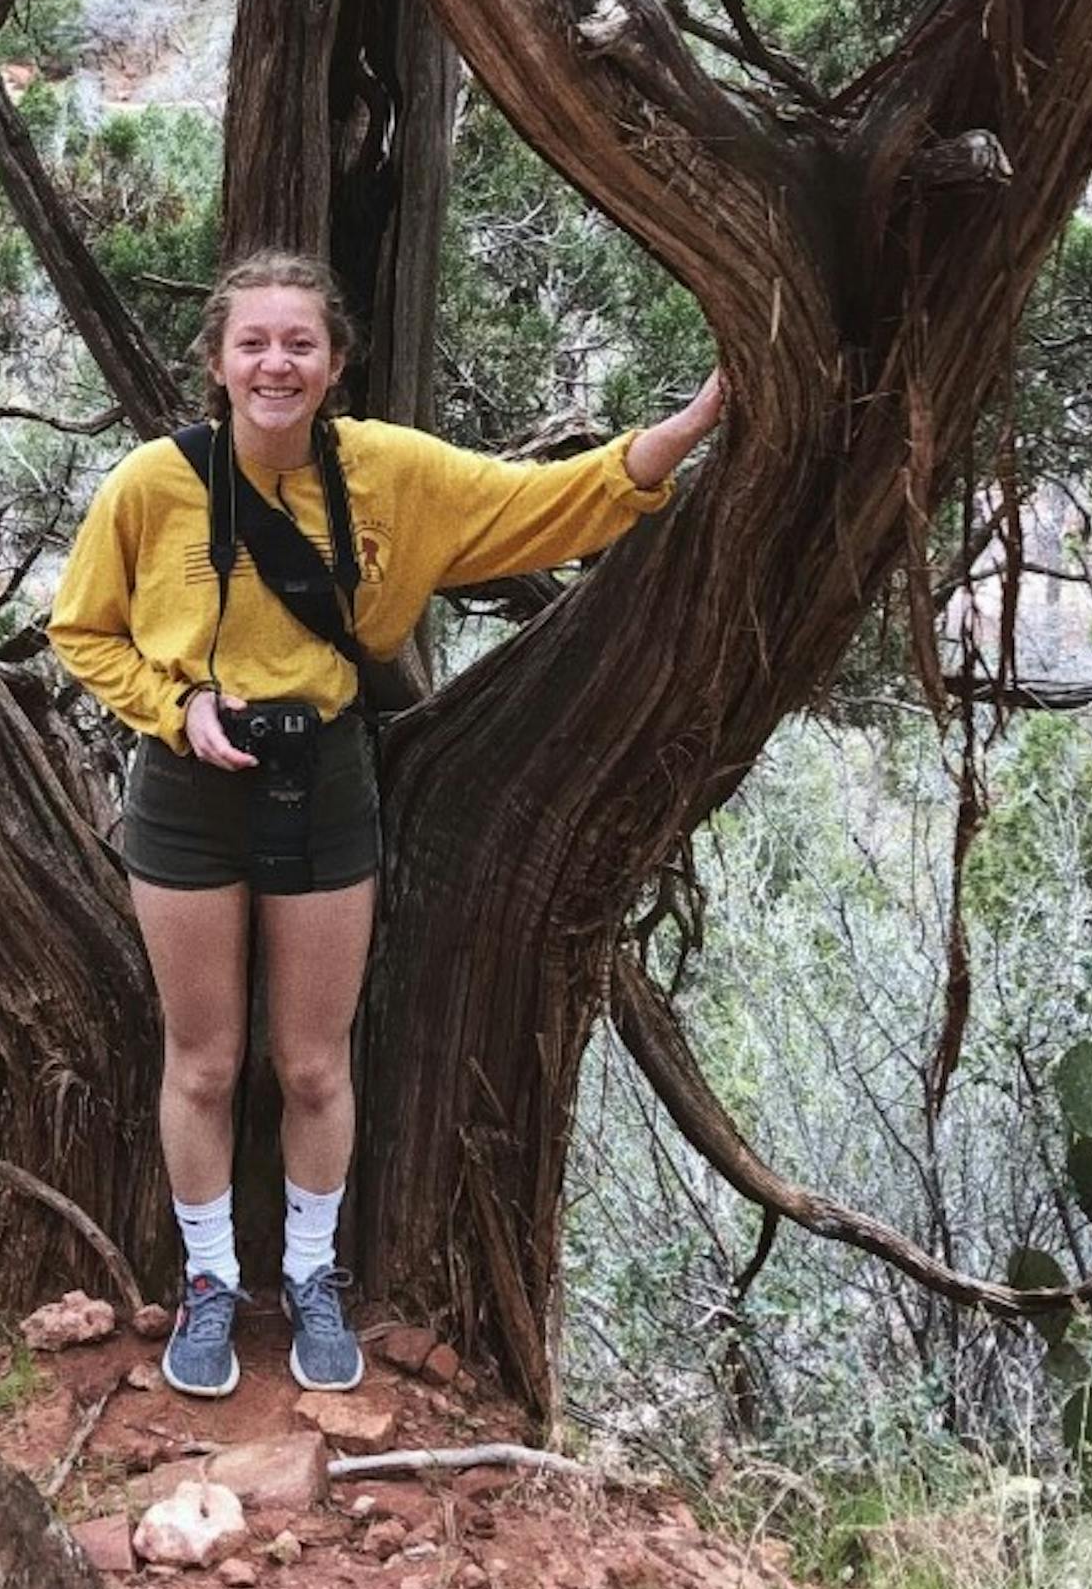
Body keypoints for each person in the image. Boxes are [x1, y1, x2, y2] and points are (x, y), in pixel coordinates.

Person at [48, 249, 725, 1400]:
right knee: (204, 1063)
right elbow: (82, 629)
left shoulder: (393, 476)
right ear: (216, 363)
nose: (276, 364)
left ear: (335, 363)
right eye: (253, 343)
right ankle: (209, 1284)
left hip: (325, 781)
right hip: (187, 790)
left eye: (299, 344)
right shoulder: (151, 487)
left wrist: (699, 419)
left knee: (314, 1064)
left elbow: (556, 501)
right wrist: (178, 704)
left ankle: (312, 1275)